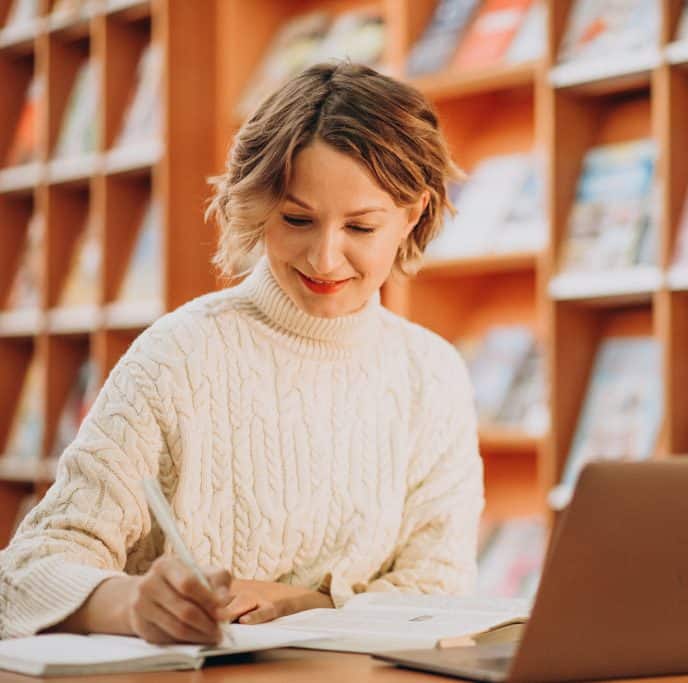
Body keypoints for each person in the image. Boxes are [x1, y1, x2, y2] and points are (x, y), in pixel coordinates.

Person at [0, 62, 484, 644]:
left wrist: (300, 604)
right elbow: (25, 574)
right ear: (256, 205)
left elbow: (442, 586)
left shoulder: (432, 374)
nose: (325, 258)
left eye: (360, 228)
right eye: (298, 219)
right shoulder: (179, 356)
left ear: (411, 215)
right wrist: (131, 604)